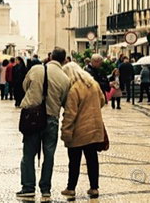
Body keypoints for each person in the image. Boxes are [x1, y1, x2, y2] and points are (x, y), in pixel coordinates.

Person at [16, 47, 70, 200]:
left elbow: (25, 86)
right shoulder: (65, 78)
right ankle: (45, 189)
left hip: (32, 117)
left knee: (28, 154)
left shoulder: (36, 69)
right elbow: (65, 101)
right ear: (64, 60)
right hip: (52, 118)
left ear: (50, 56)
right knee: (49, 155)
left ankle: (28, 187)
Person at [60, 62, 106, 199]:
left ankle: (71, 188)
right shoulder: (94, 84)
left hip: (79, 131)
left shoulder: (74, 90)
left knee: (74, 161)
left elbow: (70, 113)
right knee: (92, 160)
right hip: (95, 128)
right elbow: (102, 101)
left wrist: (65, 131)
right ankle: (94, 188)